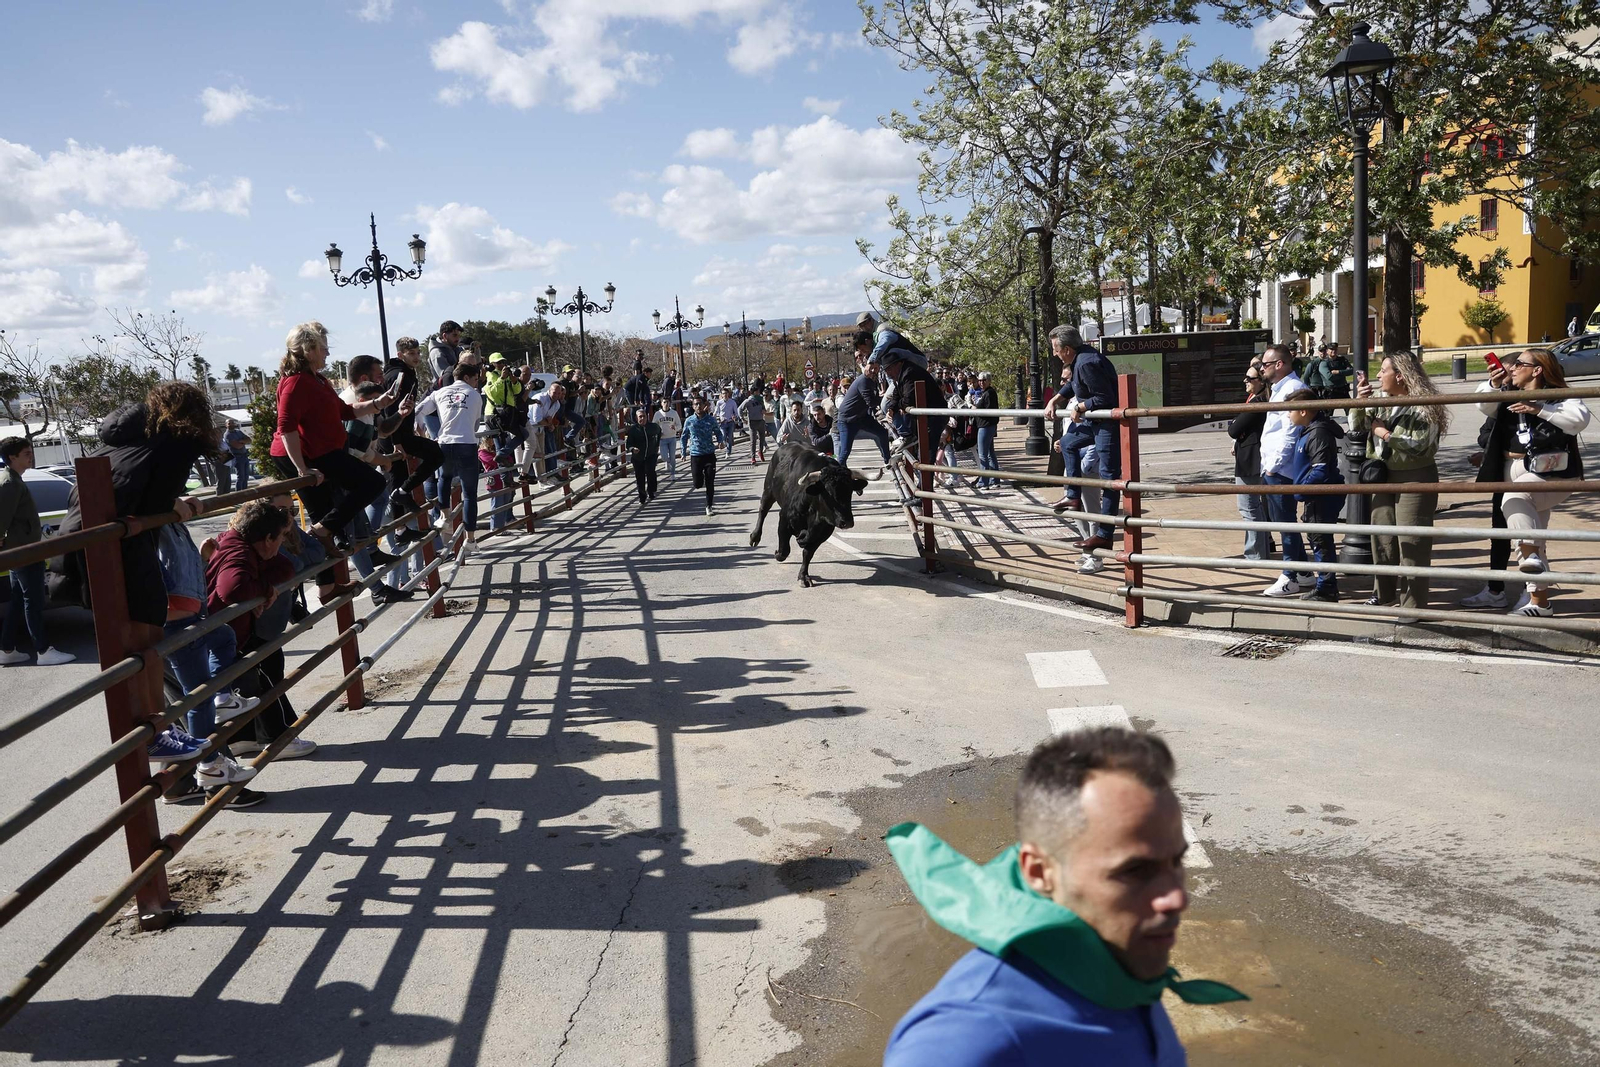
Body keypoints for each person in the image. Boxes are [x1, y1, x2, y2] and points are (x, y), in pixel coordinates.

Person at [883, 727, 1241, 1066]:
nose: (1177, 898)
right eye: (1134, 872)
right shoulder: (967, 1039)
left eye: (1176, 861)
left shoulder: (1118, 960)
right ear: (1039, 872)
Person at [270, 322, 402, 561]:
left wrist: (378, 403)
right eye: (323, 348)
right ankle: (322, 535)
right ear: (309, 351)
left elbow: (345, 410)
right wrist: (302, 468)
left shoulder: (318, 379)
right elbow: (286, 428)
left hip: (321, 451)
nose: (328, 353)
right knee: (370, 483)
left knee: (329, 509)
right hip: (309, 454)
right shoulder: (295, 382)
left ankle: (329, 578)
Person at [1475, 347, 1592, 616]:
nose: (1512, 368)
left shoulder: (1556, 396)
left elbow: (1578, 420)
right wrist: (1494, 384)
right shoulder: (1506, 392)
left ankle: (1530, 565)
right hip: (1512, 467)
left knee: (1515, 502)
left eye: (1519, 364)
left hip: (1551, 473)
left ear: (1537, 370)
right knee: (1533, 536)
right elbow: (1484, 406)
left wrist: (1538, 408)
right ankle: (1539, 602)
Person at [205, 499, 316, 779]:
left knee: (244, 680)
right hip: (215, 639)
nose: (282, 544)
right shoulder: (238, 553)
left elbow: (287, 567)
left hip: (229, 636)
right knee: (261, 671)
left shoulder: (243, 546)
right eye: (280, 538)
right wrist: (264, 590)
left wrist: (261, 587)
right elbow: (232, 588)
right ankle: (277, 738)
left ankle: (245, 738)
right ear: (267, 538)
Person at [1351, 351, 1447, 609]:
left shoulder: (1425, 403)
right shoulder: (1383, 399)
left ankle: (1412, 603)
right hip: (1383, 475)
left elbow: (1422, 446)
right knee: (1382, 537)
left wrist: (1384, 434)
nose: (1379, 375)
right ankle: (1383, 594)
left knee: (1411, 541)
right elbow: (1356, 427)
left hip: (1415, 476)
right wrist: (1360, 402)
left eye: (1384, 370)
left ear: (1401, 376)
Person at [1043, 326, 1119, 551]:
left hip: (1106, 425)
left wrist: (1082, 405)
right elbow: (1073, 387)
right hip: (1092, 423)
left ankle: (1105, 534)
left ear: (1066, 349)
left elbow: (1105, 397)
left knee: (1109, 477)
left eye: (1056, 350)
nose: (1055, 354)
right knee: (1067, 442)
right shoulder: (1079, 359)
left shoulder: (1087, 362)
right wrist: (1054, 400)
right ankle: (1073, 495)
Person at [0, 437, 73, 666]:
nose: (31, 456)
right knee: (33, 600)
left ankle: (7, 649)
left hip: (24, 550)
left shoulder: (14, 480)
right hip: (24, 553)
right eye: (26, 453)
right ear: (12, 457)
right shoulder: (9, 483)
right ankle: (43, 651)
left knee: (19, 601)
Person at [1256, 343, 1313, 597]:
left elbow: (1291, 433)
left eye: (1265, 365)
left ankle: (1290, 576)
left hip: (1282, 470)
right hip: (1273, 467)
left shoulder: (1293, 389)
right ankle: (1304, 573)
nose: (1261, 369)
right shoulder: (1280, 388)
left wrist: (1273, 467)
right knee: (1283, 521)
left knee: (1285, 523)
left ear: (1279, 365)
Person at [414, 362, 486, 543]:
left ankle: (445, 516)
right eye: (475, 379)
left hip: (445, 442)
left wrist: (419, 428)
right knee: (469, 494)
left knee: (444, 478)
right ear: (467, 377)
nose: (476, 383)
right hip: (467, 443)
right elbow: (476, 424)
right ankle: (470, 539)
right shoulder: (475, 395)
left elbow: (418, 410)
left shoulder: (439, 392)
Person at [1285, 389, 1346, 602]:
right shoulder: (1309, 430)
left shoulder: (1317, 433)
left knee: (1320, 540)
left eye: (1290, 410)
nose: (1287, 414)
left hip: (1321, 495)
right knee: (1317, 538)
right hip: (1315, 494)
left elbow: (1320, 469)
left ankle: (1326, 586)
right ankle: (1325, 584)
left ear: (1303, 411)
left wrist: (1301, 490)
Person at [379, 337, 442, 540]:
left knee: (396, 480)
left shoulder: (402, 373)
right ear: (400, 355)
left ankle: (400, 529)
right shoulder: (400, 375)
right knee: (437, 455)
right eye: (411, 353)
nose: (416, 357)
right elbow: (391, 410)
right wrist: (397, 441)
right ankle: (404, 495)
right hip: (395, 436)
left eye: (417, 353)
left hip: (399, 433)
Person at [1459, 413, 1516, 610]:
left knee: (1529, 537)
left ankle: (1533, 593)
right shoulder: (1504, 403)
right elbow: (1484, 435)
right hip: (1504, 478)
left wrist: (1496, 448)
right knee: (1499, 535)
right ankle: (1495, 590)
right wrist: (1496, 450)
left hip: (1529, 478)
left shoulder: (1541, 404)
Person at [1227, 363, 1274, 561]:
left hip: (1250, 461)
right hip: (1252, 459)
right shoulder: (1260, 400)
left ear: (1261, 382)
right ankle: (1259, 551)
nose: (1245, 381)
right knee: (1254, 507)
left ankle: (1255, 554)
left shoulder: (1258, 402)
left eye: (1250, 378)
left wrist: (1236, 427)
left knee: (1248, 507)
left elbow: (1234, 429)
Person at [836, 345, 892, 466]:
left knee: (882, 433)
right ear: (867, 367)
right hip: (847, 420)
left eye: (876, 368)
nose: (873, 370)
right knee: (845, 451)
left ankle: (888, 460)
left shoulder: (873, 380)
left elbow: (873, 400)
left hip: (861, 417)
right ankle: (838, 472)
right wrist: (886, 397)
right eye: (871, 368)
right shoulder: (863, 381)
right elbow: (871, 402)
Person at [681, 395, 727, 515]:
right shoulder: (689, 420)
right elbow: (684, 436)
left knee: (710, 481)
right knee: (697, 484)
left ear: (704, 405)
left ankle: (709, 506)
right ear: (693, 406)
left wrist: (720, 441)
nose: (698, 406)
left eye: (700, 404)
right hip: (696, 455)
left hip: (709, 454)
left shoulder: (710, 420)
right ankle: (699, 481)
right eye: (695, 404)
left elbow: (718, 432)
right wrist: (683, 452)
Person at [626, 405, 662, 503]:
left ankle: (651, 491)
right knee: (640, 477)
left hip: (651, 455)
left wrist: (656, 445)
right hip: (638, 457)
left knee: (650, 472)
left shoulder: (653, 427)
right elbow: (628, 444)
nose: (642, 418)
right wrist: (633, 449)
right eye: (640, 417)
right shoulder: (633, 430)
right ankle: (642, 496)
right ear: (636, 418)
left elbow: (659, 432)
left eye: (644, 416)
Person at [972, 371, 1000, 488]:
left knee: (983, 454)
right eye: (980, 380)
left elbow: (987, 411)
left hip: (986, 426)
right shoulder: (986, 393)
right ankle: (995, 480)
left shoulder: (989, 393)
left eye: (984, 380)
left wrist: (974, 408)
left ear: (989, 381)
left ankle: (984, 481)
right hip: (988, 426)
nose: (981, 383)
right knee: (990, 454)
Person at [653, 397, 682, 480]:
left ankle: (672, 474)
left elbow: (679, 425)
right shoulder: (658, 414)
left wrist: (675, 428)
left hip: (672, 438)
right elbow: (653, 425)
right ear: (661, 403)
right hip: (662, 438)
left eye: (667, 402)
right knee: (664, 457)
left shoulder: (674, 413)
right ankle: (667, 462)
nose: (666, 404)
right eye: (664, 402)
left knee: (673, 456)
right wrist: (658, 431)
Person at [222, 419, 251, 494]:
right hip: (237, 457)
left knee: (246, 477)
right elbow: (237, 446)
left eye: (232, 423)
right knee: (240, 477)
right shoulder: (227, 435)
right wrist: (243, 441)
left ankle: (245, 493)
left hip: (244, 456)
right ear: (226, 425)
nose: (231, 424)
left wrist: (241, 441)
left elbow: (249, 440)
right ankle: (238, 494)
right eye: (229, 423)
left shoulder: (238, 431)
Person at [741, 388, 768, 464]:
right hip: (752, 422)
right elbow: (740, 409)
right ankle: (753, 457)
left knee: (762, 439)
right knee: (753, 441)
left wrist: (764, 410)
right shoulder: (748, 401)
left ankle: (760, 452)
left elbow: (763, 408)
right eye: (757, 391)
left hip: (760, 421)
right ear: (754, 392)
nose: (759, 393)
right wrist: (742, 418)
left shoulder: (760, 400)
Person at [716, 388, 740, 460]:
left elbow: (736, 412)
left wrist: (735, 417)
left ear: (728, 394)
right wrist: (718, 418)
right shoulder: (719, 403)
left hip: (730, 422)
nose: (725, 395)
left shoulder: (732, 402)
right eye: (723, 393)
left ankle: (728, 452)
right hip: (723, 422)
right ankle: (723, 445)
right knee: (723, 436)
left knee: (729, 438)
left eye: (726, 393)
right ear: (721, 395)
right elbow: (717, 412)